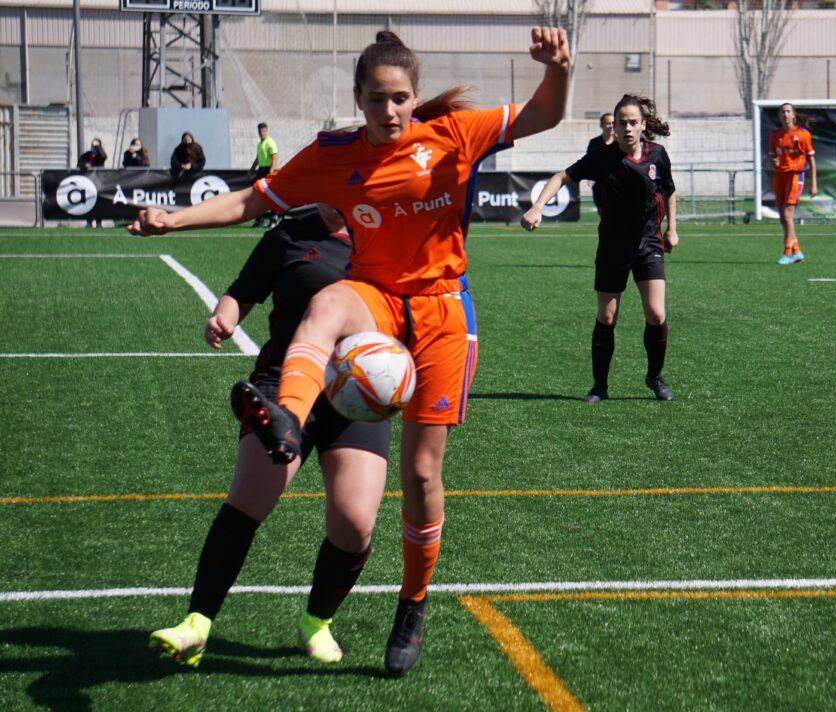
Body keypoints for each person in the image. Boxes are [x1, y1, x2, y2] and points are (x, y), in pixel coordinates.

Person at [129, 26, 571, 675]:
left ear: (414, 97)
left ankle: (412, 607)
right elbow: (255, 198)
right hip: (380, 299)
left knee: (422, 477)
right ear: (358, 99)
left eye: (398, 98)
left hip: (446, 308)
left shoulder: (453, 135)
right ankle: (286, 415)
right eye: (374, 99)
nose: (387, 111)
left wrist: (557, 69)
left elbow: (544, 113)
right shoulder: (334, 154)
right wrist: (173, 218)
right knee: (328, 304)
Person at [148, 203, 391, 669]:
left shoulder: (387, 238)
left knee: (355, 524)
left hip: (355, 394)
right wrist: (225, 315)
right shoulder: (289, 237)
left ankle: (316, 621)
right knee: (248, 503)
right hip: (282, 383)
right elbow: (242, 292)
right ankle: (197, 625)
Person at [521, 94, 678, 403]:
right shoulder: (601, 157)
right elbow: (561, 177)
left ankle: (655, 377)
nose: (628, 128)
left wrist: (672, 228)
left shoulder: (657, 155)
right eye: (622, 123)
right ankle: (599, 386)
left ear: (643, 125)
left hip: (648, 244)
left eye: (634, 123)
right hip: (612, 248)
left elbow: (669, 190)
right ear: (614, 127)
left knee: (656, 314)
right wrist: (538, 206)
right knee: (607, 317)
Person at [768, 102, 817, 265]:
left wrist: (814, 183)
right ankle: (797, 251)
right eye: (783, 112)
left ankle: (787, 252)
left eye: (788, 111)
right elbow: (772, 157)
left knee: (788, 215)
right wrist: (773, 161)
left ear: (793, 115)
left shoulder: (803, 134)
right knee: (783, 217)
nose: (785, 114)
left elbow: (811, 159)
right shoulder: (776, 136)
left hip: (796, 176)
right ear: (779, 116)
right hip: (779, 176)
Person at [248, 122, 278, 228]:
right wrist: (251, 170)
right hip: (261, 170)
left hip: (268, 170)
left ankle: (273, 219)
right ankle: (259, 220)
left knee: (270, 195)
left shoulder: (270, 142)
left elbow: (275, 157)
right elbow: (257, 158)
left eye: (263, 131)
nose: (262, 133)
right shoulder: (260, 144)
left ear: (267, 131)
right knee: (257, 194)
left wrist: (272, 170)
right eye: (260, 131)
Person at [585, 112, 615, 214]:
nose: (611, 126)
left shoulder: (621, 142)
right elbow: (589, 162)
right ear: (601, 125)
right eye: (608, 123)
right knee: (604, 217)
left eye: (613, 123)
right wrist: (590, 176)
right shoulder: (594, 143)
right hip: (600, 187)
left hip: (618, 186)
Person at [78, 138, 107, 227]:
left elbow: (103, 156)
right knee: (88, 202)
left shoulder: (100, 156)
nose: (94, 147)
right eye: (93, 145)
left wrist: (97, 147)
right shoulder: (86, 155)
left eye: (96, 145)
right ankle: (89, 222)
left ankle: (99, 222)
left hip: (98, 181)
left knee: (99, 203)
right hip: (88, 182)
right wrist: (84, 165)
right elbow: (80, 163)